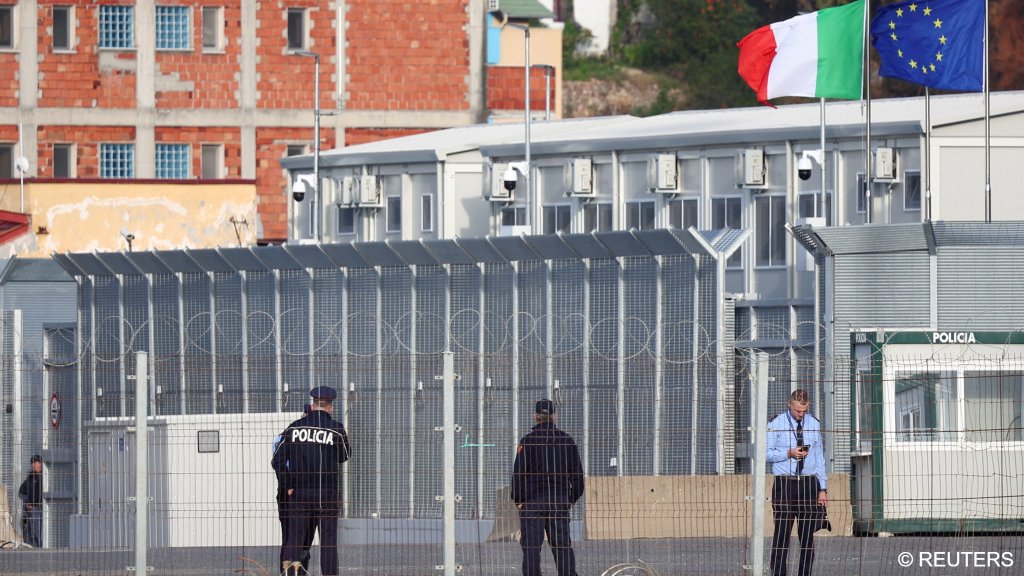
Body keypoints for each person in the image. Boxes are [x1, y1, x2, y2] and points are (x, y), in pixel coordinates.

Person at [273, 388, 350, 576]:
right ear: (330, 406)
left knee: (295, 539)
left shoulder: (295, 428)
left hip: (299, 494)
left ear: (313, 404)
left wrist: (288, 484)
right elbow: (344, 456)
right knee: (329, 543)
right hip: (327, 494)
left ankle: (290, 574)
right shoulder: (336, 429)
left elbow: (277, 460)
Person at [511, 399, 584, 576]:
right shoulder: (567, 441)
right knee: (562, 547)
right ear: (554, 417)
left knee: (531, 549)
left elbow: (518, 475)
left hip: (532, 503)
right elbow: (578, 477)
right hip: (558, 501)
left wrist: (520, 500)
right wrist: (570, 499)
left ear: (535, 416)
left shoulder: (527, 442)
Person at [767, 389, 828, 576]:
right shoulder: (776, 424)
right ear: (789, 404)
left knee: (807, 536)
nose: (800, 415)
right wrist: (788, 453)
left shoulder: (813, 423)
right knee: (782, 534)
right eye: (797, 411)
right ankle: (778, 573)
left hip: (809, 484)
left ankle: (805, 573)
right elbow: (765, 454)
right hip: (785, 484)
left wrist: (823, 488)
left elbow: (819, 457)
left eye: (803, 411)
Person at [274, 404, 313, 572]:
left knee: (301, 540)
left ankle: (298, 571)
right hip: (291, 492)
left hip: (300, 492)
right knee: (293, 539)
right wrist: (289, 485)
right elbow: (280, 463)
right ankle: (289, 572)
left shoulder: (290, 437)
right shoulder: (287, 436)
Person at [19, 454, 43, 548]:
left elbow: (40, 492)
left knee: (37, 531)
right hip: (29, 509)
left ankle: (39, 549)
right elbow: (22, 489)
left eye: (35, 462)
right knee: (29, 530)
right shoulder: (31, 477)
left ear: (40, 463)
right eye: (32, 462)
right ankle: (31, 548)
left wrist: (32, 503)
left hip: (37, 508)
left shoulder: (43, 477)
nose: (33, 464)